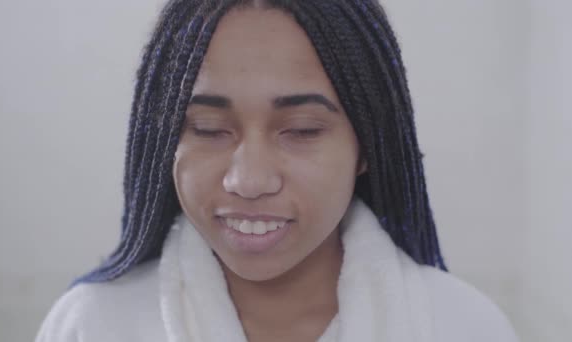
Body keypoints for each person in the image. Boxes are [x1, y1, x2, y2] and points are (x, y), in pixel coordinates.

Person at [36, 0, 518, 341]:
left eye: (303, 130)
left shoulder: (463, 327)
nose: (248, 180)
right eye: (207, 128)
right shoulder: (93, 327)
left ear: (367, 144)